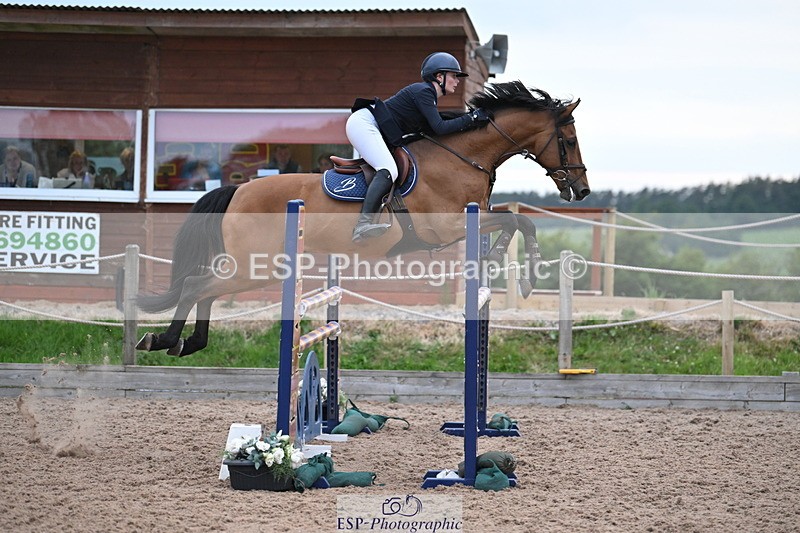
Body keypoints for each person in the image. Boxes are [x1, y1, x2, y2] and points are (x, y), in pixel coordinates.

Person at [346, 51, 491, 242]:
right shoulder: (424, 92)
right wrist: (471, 119)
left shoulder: (427, 96)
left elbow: (433, 127)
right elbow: (439, 128)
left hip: (370, 125)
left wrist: (471, 121)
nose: (457, 81)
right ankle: (363, 224)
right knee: (388, 168)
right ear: (439, 77)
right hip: (364, 124)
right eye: (454, 76)